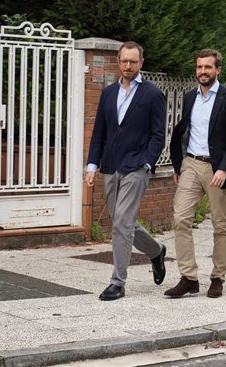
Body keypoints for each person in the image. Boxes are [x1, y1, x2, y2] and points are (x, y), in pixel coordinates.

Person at [85, 41, 167, 301]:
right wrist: (92, 165)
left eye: (133, 61)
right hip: (111, 166)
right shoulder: (109, 93)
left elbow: (158, 134)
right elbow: (100, 131)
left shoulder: (153, 94)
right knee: (123, 221)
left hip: (137, 167)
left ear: (141, 63)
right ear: (118, 62)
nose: (128, 66)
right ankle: (156, 251)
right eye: (124, 61)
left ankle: (117, 282)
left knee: (121, 223)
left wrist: (147, 163)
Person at [165, 48, 226, 299]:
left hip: (217, 168)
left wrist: (223, 168)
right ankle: (188, 277)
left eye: (208, 67)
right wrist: (179, 165)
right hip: (191, 164)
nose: (203, 71)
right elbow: (182, 130)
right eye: (199, 67)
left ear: (218, 70)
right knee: (180, 218)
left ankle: (218, 277)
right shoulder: (190, 97)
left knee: (220, 224)